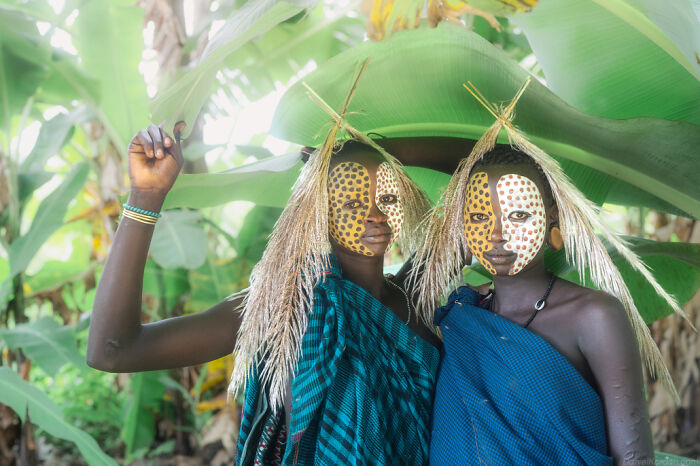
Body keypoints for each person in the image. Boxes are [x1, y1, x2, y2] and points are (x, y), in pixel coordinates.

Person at [88, 94, 442, 464]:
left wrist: (373, 146)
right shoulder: (282, 304)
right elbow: (112, 350)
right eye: (352, 202)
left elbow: (480, 168)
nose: (375, 214)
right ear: (317, 209)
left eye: (387, 196)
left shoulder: (416, 293)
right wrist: (146, 195)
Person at [409, 81, 682, 465]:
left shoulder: (594, 315)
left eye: (518, 214)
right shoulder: (460, 318)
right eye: (479, 217)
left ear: (552, 220)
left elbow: (635, 458)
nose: (497, 234)